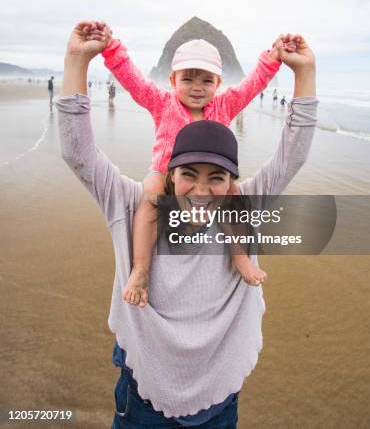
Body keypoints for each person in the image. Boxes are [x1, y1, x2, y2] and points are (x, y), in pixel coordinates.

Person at [56, 22, 317, 426]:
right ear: (170, 173)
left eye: (216, 177)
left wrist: (303, 72)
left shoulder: (242, 206)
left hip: (220, 396)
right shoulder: (133, 204)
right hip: (144, 393)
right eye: (188, 174)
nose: (200, 190)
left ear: (232, 180)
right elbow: (79, 154)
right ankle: (140, 271)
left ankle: (240, 258)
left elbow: (292, 153)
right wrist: (78, 60)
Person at [85, 23, 298, 306]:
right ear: (173, 80)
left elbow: (251, 87)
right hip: (165, 173)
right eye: (188, 79)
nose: (197, 88)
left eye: (207, 81)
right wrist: (112, 49)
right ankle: (141, 268)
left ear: (218, 84)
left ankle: (239, 256)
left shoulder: (224, 106)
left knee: (232, 200)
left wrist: (272, 59)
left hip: (209, 177)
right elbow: (133, 81)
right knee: (150, 195)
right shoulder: (163, 103)